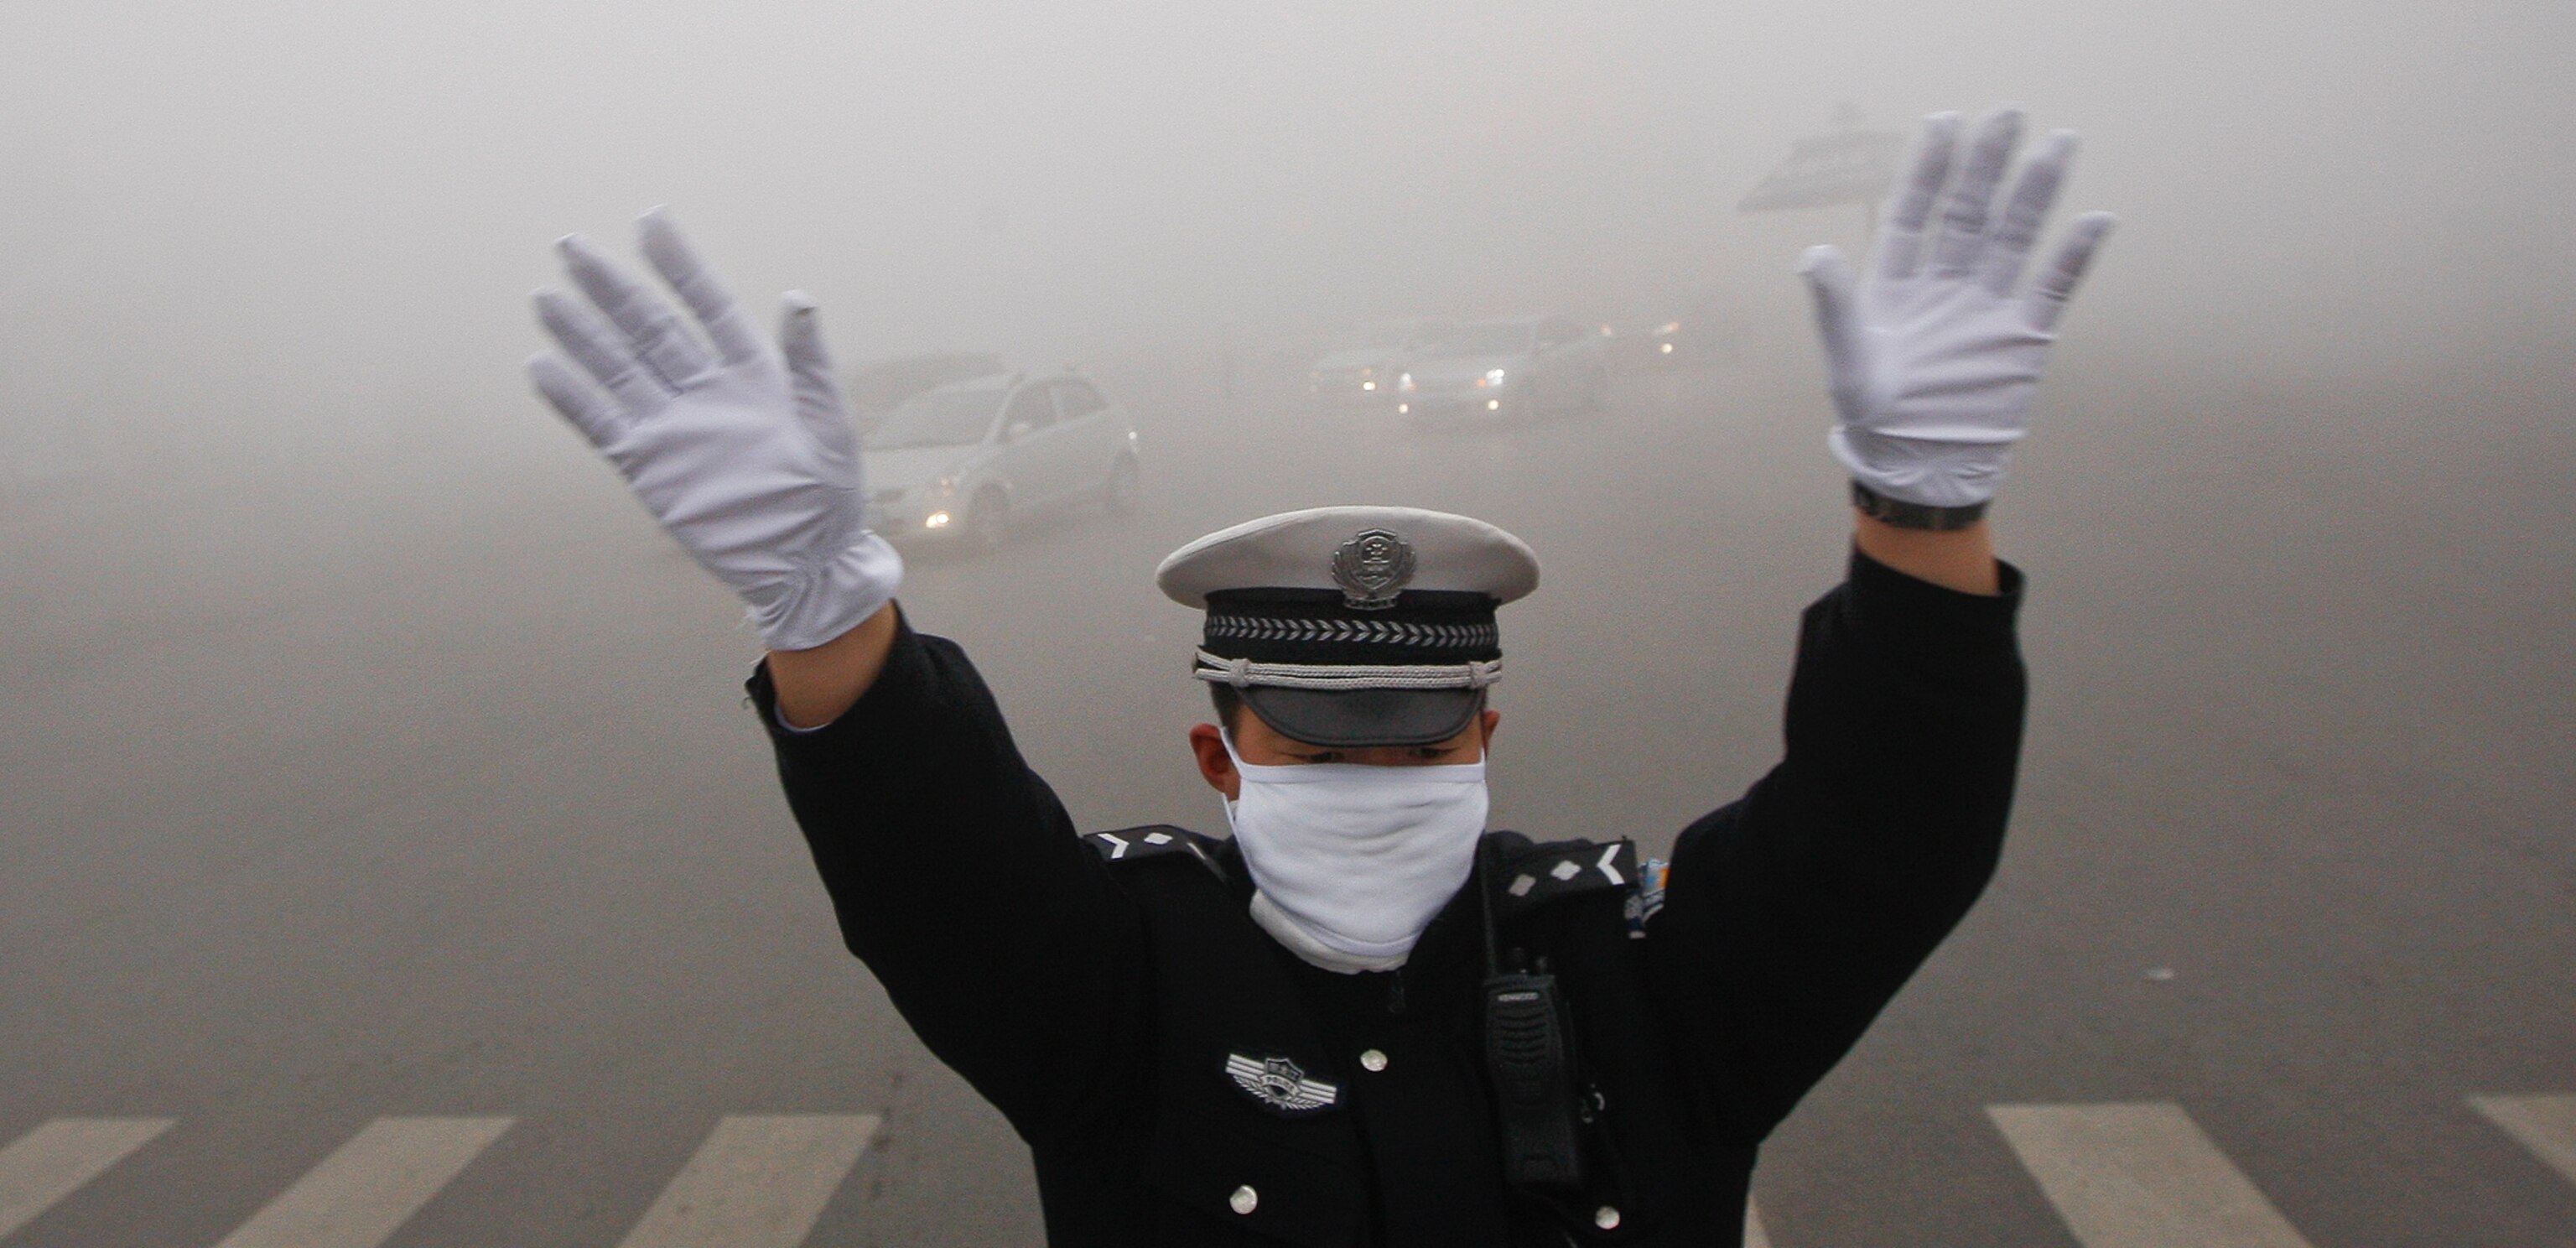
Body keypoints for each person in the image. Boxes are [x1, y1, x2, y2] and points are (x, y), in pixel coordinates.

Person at [525, 107, 2115, 1246]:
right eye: (1312, 740)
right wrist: (819, 611)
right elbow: (929, 861)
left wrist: (1926, 518)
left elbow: (1889, 831)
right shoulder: (1119, 997)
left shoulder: (1635, 983)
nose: (1375, 779)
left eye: (1418, 743)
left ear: (1487, 734)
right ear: (1219, 764)